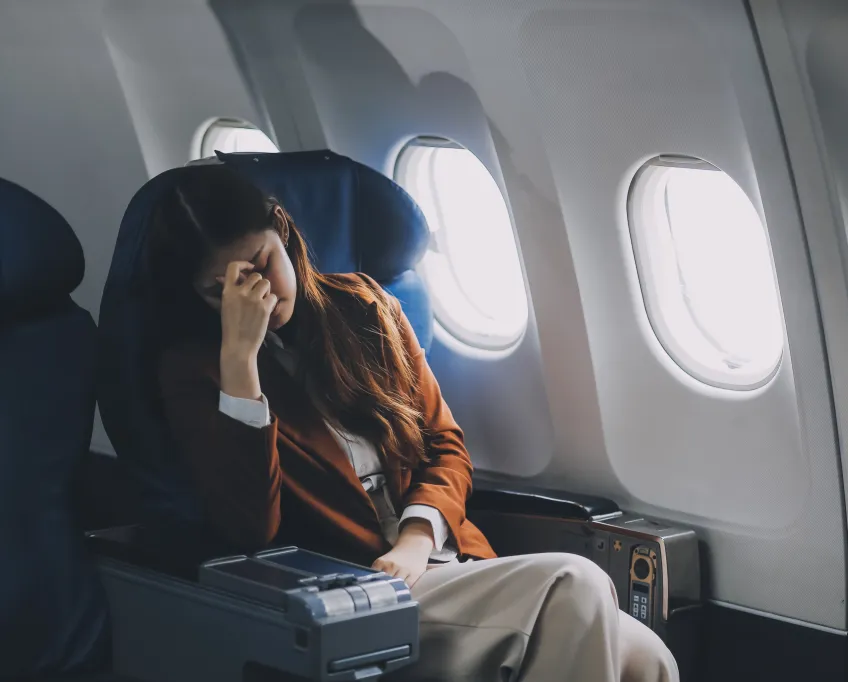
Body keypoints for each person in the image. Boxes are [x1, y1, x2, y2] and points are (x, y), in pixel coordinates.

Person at [146, 164, 679, 682]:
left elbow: (444, 445)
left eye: (261, 264)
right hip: (354, 592)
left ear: (283, 231)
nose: (254, 294)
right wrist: (240, 362)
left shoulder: (363, 306)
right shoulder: (195, 370)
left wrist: (417, 537)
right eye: (223, 290)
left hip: (438, 561)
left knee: (647, 658)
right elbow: (249, 528)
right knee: (577, 582)